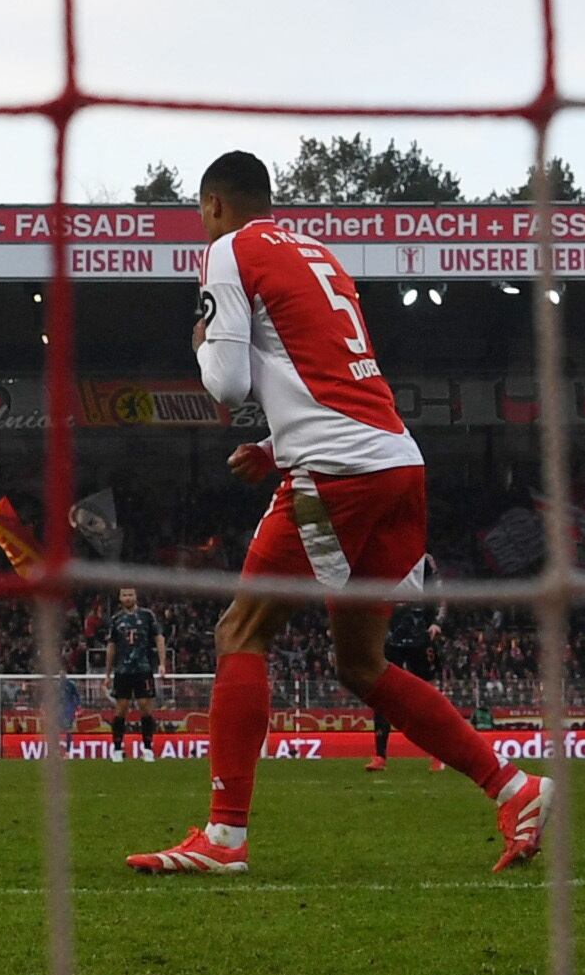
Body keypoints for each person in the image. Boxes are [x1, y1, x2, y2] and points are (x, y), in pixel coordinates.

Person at [126, 151, 548, 876]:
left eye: (200, 211)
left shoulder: (228, 249)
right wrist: (273, 440)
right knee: (361, 662)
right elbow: (328, 370)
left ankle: (225, 838)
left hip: (334, 472)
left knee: (241, 629)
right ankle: (514, 788)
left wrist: (199, 346)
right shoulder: (319, 255)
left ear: (216, 204)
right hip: (395, 463)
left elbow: (225, 382)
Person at [368, 554, 447, 773]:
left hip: (419, 636)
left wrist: (437, 622)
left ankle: (438, 754)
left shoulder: (424, 559)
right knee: (382, 694)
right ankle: (379, 756)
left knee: (427, 696)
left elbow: (440, 593)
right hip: (389, 636)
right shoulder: (383, 554)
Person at [105, 588, 164, 761]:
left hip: (143, 668)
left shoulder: (147, 616)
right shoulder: (116, 619)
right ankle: (117, 749)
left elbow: (159, 637)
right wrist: (107, 674)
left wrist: (162, 664)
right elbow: (111, 646)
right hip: (122, 670)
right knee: (121, 708)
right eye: (124, 595)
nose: (128, 598)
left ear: (136, 596)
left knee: (145, 706)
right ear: (120, 598)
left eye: (130, 595)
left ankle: (147, 748)